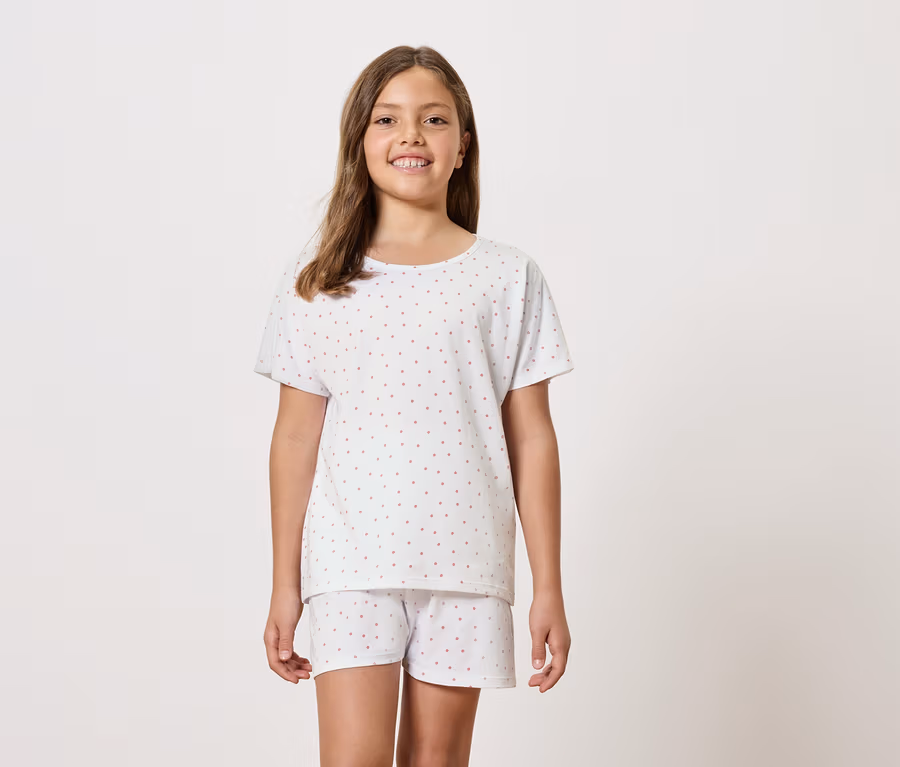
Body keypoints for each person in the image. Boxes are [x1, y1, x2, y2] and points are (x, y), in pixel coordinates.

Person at [254, 45, 575, 767]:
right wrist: (285, 584)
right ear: (359, 142)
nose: (411, 136)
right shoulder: (318, 281)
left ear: (463, 145)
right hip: (350, 564)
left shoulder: (507, 277)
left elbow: (533, 439)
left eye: (434, 119)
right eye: (387, 119)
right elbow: (294, 439)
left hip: (468, 566)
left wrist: (548, 586)